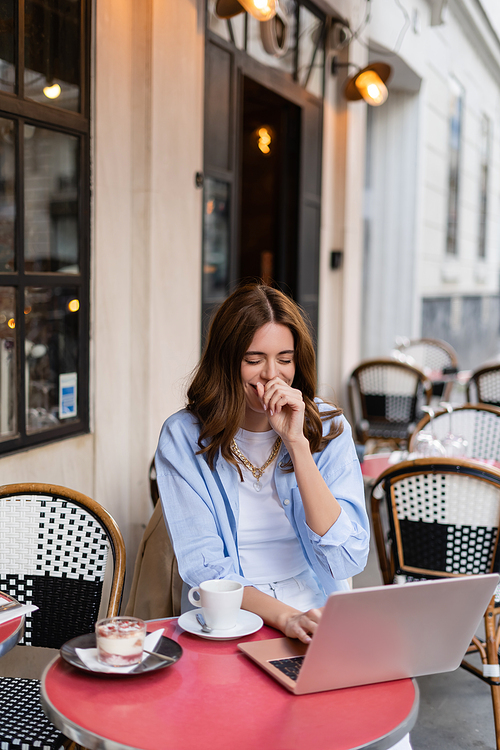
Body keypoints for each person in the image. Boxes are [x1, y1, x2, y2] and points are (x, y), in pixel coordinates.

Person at [155, 284, 411, 749]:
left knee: (373, 732)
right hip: (231, 613)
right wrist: (284, 619)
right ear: (227, 359)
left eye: (285, 358)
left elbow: (349, 556)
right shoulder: (183, 437)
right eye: (254, 358)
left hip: (315, 601)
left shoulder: (328, 428)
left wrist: (298, 443)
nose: (271, 374)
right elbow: (206, 569)